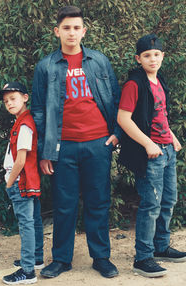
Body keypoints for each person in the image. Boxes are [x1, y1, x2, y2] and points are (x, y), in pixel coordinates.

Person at [31, 5, 121, 279]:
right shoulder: (46, 65)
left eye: (76, 27)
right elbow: (37, 110)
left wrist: (116, 132)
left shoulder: (99, 61)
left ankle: (101, 257)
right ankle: (61, 259)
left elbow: (115, 99)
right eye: (66, 28)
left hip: (98, 144)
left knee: (98, 201)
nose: (72, 32)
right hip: (63, 146)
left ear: (84, 30)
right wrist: (45, 152)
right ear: (57, 31)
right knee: (64, 204)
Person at [117, 34, 186, 278]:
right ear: (139, 58)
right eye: (147, 55)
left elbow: (160, 115)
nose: (152, 58)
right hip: (150, 153)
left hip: (167, 149)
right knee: (151, 205)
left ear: (163, 57)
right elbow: (123, 119)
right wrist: (148, 144)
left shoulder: (160, 81)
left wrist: (172, 136)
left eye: (157, 54)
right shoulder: (134, 84)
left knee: (168, 200)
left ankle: (161, 247)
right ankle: (143, 257)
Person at [0, 82, 44, 284]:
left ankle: (28, 271)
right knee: (34, 221)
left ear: (25, 97)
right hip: (27, 181)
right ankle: (36, 258)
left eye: (13, 98)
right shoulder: (23, 121)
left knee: (26, 224)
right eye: (6, 101)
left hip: (20, 182)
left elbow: (21, 160)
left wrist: (9, 183)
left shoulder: (24, 124)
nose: (9, 103)